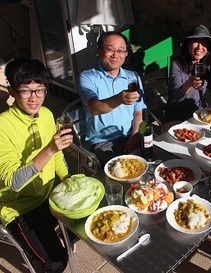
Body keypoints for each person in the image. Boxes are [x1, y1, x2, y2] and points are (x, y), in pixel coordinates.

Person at [0, 59, 74, 272]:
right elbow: (14, 182)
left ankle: (56, 240)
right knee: (56, 264)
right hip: (20, 208)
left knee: (84, 228)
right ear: (12, 91)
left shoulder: (47, 114)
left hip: (48, 194)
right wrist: (49, 149)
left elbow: (58, 156)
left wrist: (68, 179)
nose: (34, 98)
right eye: (26, 91)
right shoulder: (3, 126)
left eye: (39, 90)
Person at [78, 31, 147, 166]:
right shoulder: (87, 77)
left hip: (132, 133)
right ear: (99, 51)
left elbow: (139, 111)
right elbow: (94, 108)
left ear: (126, 54)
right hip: (103, 142)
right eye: (110, 49)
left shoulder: (132, 77)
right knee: (121, 174)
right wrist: (120, 98)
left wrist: (135, 136)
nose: (115, 55)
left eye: (121, 51)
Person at [165, 24, 211, 121]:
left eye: (204, 43)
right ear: (188, 44)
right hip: (177, 117)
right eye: (195, 42)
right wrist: (189, 84)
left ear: (208, 47)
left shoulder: (206, 66)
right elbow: (176, 97)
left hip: (198, 114)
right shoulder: (177, 65)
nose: (199, 47)